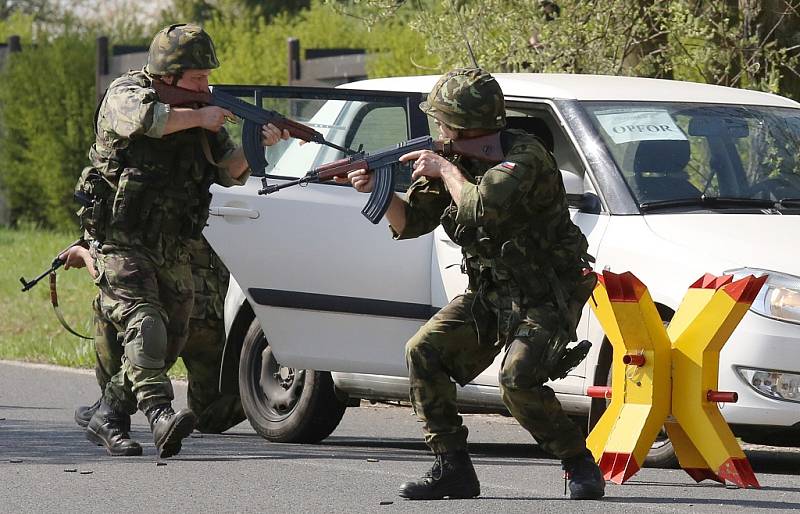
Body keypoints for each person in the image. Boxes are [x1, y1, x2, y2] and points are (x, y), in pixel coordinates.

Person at [338, 68, 605, 500]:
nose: (437, 129)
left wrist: (444, 168)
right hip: (491, 294)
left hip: (545, 294)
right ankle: (453, 467)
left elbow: (480, 207)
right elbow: (410, 223)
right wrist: (376, 190)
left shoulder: (526, 156)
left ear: (460, 124)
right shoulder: (454, 162)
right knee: (423, 351)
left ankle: (577, 461)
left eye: (441, 120)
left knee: (517, 381)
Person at [70, 23, 288, 458]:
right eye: (197, 79)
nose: (206, 85)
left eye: (208, 78)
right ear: (167, 76)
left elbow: (230, 169)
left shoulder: (202, 112)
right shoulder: (126, 93)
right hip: (120, 239)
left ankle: (108, 413)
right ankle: (159, 415)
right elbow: (146, 121)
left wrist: (259, 143)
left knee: (171, 335)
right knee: (145, 321)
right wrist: (201, 116)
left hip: (172, 245)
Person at [68, 236, 246, 437]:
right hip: (215, 315)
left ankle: (112, 402)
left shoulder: (137, 218)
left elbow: (112, 273)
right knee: (210, 416)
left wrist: (83, 254)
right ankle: (262, 398)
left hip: (167, 321)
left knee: (110, 303)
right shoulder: (200, 210)